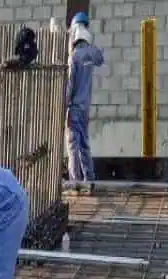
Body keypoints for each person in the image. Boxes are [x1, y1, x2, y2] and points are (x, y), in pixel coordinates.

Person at [66, 25, 104, 183]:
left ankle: (75, 180)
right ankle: (89, 177)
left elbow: (69, 86)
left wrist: (63, 107)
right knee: (84, 144)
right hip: (85, 108)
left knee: (73, 145)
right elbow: (100, 58)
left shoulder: (74, 58)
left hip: (74, 108)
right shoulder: (90, 56)